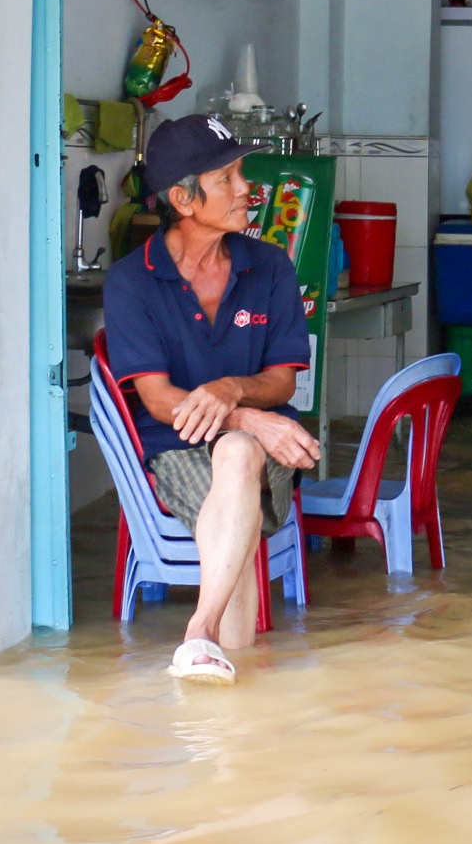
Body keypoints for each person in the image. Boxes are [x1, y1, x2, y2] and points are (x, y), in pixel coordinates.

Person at [102, 113, 321, 684]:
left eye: (241, 173)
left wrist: (232, 390)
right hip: (177, 447)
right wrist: (245, 414)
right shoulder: (133, 280)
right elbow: (156, 400)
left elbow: (282, 380)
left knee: (241, 456)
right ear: (183, 197)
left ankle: (201, 636)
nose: (248, 188)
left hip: (265, 452)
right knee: (237, 461)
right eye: (227, 178)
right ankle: (231, 690)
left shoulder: (268, 264)